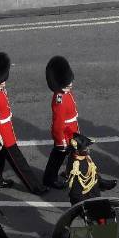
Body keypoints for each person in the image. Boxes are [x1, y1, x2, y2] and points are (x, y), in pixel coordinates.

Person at [0, 52, 47, 194]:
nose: (3, 82)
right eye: (0, 81)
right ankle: (35, 186)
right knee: (19, 162)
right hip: (4, 136)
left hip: (5, 130)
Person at [44, 56, 81, 189]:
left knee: (72, 155)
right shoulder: (60, 99)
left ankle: (65, 174)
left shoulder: (66, 93)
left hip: (71, 131)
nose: (70, 84)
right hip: (65, 135)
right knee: (59, 157)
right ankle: (50, 179)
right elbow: (58, 124)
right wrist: (61, 142)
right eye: (67, 83)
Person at [66, 134, 115, 205]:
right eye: (85, 147)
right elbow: (76, 191)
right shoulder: (76, 167)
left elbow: (92, 171)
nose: (88, 149)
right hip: (84, 194)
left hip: (92, 187)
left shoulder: (85, 157)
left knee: (93, 175)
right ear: (77, 151)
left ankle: (100, 182)